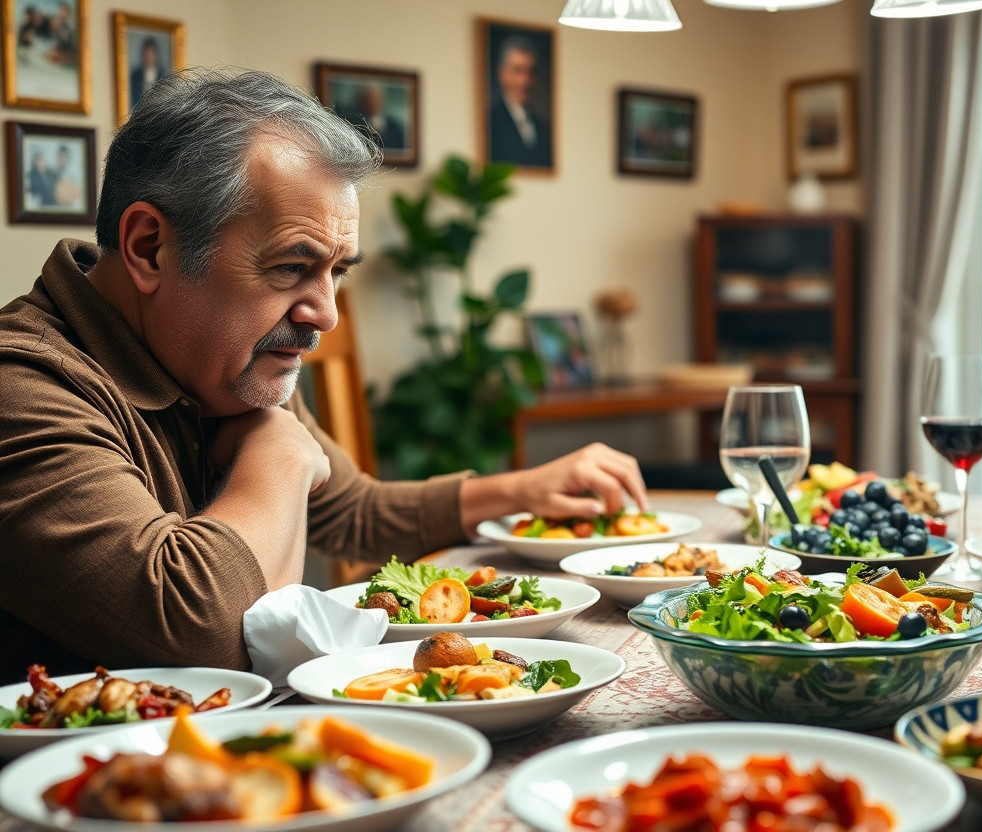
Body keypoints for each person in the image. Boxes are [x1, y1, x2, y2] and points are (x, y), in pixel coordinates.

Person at [0, 68, 647, 679]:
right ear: (149, 247)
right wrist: (278, 453)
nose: (326, 315)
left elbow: (351, 510)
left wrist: (522, 491)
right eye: (290, 267)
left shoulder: (214, 357)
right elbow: (196, 630)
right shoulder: (23, 384)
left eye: (337, 271)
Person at [487, 35, 551, 168]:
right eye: (517, 71)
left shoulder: (542, 126)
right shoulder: (490, 120)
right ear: (502, 73)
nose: (525, 81)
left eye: (531, 72)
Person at [337, 82, 405, 153]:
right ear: (361, 101)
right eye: (368, 99)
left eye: (375, 98)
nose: (372, 103)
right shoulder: (353, 124)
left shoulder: (394, 127)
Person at [129, 37, 167, 111]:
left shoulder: (163, 75)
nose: (148, 56)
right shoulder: (135, 75)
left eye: (151, 53)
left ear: (156, 55)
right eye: (146, 53)